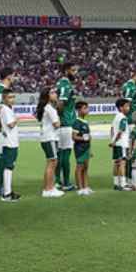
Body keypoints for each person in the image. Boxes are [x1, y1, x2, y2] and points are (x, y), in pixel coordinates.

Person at [0, 67, 18, 197]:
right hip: (4, 130)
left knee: (1, 156)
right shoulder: (1, 90)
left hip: (2, 129)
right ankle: (0, 186)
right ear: (8, 76)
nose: (15, 78)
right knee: (2, 157)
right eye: (14, 76)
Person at [36, 88, 65, 198]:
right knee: (52, 163)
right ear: (47, 96)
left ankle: (49, 187)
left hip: (48, 138)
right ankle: (48, 189)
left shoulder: (47, 107)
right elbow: (56, 124)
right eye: (52, 93)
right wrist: (59, 120)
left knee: (51, 162)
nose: (55, 94)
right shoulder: (49, 108)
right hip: (50, 138)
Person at [55, 63, 79, 192]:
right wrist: (60, 117)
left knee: (60, 154)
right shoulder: (65, 84)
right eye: (73, 70)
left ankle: (57, 181)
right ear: (66, 71)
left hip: (64, 124)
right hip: (65, 124)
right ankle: (65, 182)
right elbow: (60, 103)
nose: (75, 73)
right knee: (65, 154)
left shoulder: (63, 83)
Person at [0, 89, 21, 202]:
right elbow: (10, 124)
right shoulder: (5, 109)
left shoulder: (6, 109)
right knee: (9, 167)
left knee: (9, 167)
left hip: (10, 141)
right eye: (10, 97)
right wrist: (16, 120)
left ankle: (8, 191)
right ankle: (7, 193)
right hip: (10, 142)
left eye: (13, 97)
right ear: (4, 98)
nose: (12, 99)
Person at [110, 98, 132, 191]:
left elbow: (112, 129)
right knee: (122, 163)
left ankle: (116, 183)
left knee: (116, 163)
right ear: (121, 107)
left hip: (116, 144)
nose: (128, 108)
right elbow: (121, 131)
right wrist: (115, 141)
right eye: (127, 106)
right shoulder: (123, 118)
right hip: (122, 143)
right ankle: (123, 184)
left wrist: (112, 140)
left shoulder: (116, 117)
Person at [71, 102, 93, 196]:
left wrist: (90, 149)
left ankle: (86, 187)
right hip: (80, 148)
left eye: (87, 108)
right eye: (85, 108)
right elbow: (74, 137)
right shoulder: (76, 122)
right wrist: (84, 138)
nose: (87, 110)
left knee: (86, 167)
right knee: (80, 167)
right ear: (79, 110)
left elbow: (88, 137)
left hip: (86, 148)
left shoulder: (85, 122)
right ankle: (80, 188)